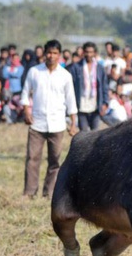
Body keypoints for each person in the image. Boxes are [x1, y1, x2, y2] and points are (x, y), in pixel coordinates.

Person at [21, 39, 78, 199]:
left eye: (55, 53)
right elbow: (25, 94)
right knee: (32, 158)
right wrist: (27, 112)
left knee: (55, 161)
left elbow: (71, 101)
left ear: (59, 55)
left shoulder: (65, 75)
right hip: (37, 123)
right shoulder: (34, 72)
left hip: (57, 124)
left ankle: (49, 192)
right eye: (49, 53)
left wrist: (73, 123)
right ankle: (29, 192)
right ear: (44, 54)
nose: (51, 56)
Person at [69, 42, 109, 131]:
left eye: (91, 52)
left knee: (95, 133)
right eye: (87, 52)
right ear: (83, 52)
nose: (89, 54)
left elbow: (104, 86)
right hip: (82, 104)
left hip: (95, 104)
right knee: (84, 132)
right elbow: (71, 87)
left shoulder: (100, 68)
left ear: (95, 53)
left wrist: (105, 102)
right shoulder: (76, 67)